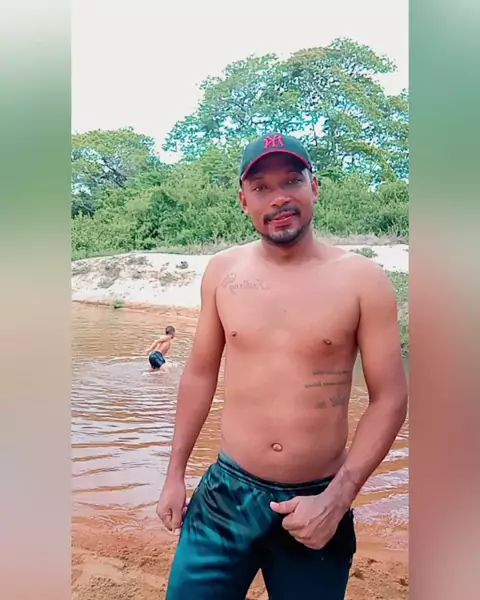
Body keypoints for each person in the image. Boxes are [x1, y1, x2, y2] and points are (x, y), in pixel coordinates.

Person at [156, 134, 408, 600]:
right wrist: (174, 475)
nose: (278, 198)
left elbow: (390, 398)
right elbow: (200, 374)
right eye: (261, 187)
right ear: (243, 200)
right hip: (226, 495)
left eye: (291, 180)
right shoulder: (223, 272)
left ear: (315, 187)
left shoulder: (363, 281)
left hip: (317, 499)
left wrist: (337, 499)